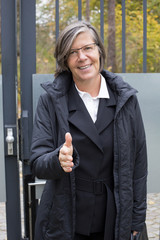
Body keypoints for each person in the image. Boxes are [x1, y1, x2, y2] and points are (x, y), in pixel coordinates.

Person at [30, 21, 148, 240]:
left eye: (87, 48)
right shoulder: (50, 101)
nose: (82, 57)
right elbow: (37, 161)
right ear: (65, 60)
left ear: (99, 51)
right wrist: (58, 159)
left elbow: (139, 164)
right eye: (73, 52)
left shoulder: (126, 99)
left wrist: (137, 218)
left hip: (113, 218)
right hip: (65, 219)